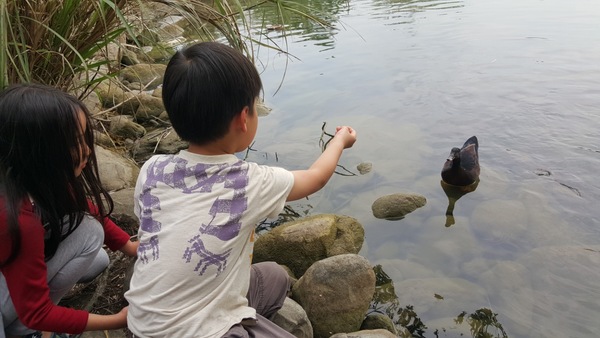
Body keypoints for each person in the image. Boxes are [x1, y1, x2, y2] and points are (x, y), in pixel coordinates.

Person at [124, 41, 357, 337]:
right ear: (242, 119)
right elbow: (316, 177)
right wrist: (339, 141)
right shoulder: (248, 181)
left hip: (142, 325)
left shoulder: (152, 169)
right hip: (200, 332)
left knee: (274, 276)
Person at [0, 83, 139, 338]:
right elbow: (36, 311)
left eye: (85, 139)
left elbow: (86, 207)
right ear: (38, 151)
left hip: (10, 272)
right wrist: (116, 319)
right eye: (76, 143)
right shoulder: (17, 219)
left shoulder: (29, 174)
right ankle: (28, 330)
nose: (87, 151)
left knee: (96, 253)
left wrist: (129, 247)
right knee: (33, 315)